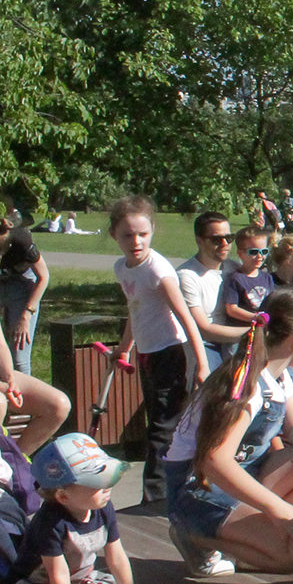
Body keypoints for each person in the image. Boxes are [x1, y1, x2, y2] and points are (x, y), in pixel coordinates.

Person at [165, 291, 293, 576]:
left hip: (242, 476)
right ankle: (197, 537)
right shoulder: (246, 385)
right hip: (198, 491)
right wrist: (278, 509)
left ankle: (253, 539)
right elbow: (214, 461)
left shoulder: (278, 374)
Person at [0, 434, 166, 584]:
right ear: (63, 496)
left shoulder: (103, 507)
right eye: (97, 483)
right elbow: (57, 574)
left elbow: (116, 557)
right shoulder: (50, 522)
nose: (108, 487)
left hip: (75, 581)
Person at [110, 196, 210, 503]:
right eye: (128, 235)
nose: (136, 242)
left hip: (169, 353)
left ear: (152, 230)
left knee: (162, 427)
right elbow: (135, 309)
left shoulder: (158, 271)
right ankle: (171, 488)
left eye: (143, 234)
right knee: (157, 420)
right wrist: (124, 347)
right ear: (114, 235)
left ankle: (155, 498)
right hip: (147, 353)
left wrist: (202, 363)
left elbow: (186, 318)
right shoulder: (122, 267)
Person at [178, 212, 249, 370]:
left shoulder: (234, 268)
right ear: (199, 241)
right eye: (217, 239)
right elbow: (204, 330)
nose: (225, 244)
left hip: (236, 342)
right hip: (205, 346)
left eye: (229, 238)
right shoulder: (187, 276)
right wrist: (253, 333)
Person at [0, 215, 48, 374]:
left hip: (23, 286)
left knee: (19, 358)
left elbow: (44, 277)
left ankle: (22, 388)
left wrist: (26, 316)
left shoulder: (22, 240)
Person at [220, 225, 276, 327]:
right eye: (253, 252)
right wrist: (256, 317)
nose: (259, 256)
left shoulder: (267, 278)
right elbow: (231, 309)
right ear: (240, 253)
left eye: (264, 251)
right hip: (241, 330)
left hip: (262, 328)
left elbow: (272, 304)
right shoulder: (235, 279)